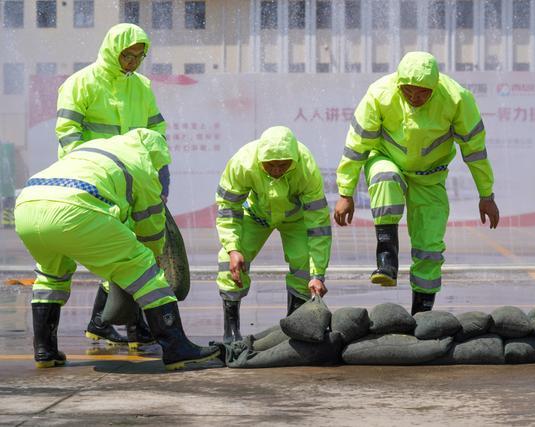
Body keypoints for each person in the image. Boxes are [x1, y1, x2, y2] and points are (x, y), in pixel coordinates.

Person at [14, 129, 220, 370]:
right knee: (145, 270)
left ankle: (45, 351)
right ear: (155, 154)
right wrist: (152, 256)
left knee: (51, 275)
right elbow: (151, 223)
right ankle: (177, 348)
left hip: (28, 206)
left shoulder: (97, 149)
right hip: (76, 209)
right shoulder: (141, 162)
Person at [333, 52, 500, 315]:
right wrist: (346, 192)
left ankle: (422, 314)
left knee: (430, 244)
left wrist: (486, 195)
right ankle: (386, 261)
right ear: (399, 84)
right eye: (408, 91)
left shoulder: (457, 99)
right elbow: (357, 146)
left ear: (435, 86)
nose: (415, 98)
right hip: (386, 158)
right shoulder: (379, 93)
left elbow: (475, 152)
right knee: (385, 179)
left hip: (430, 174)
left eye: (422, 92)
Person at [55, 23, 170, 347]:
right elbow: (67, 134)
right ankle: (132, 329)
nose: (132, 62)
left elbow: (156, 130)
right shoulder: (81, 83)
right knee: (124, 251)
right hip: (94, 181)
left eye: (138, 56)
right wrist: (85, 170)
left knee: (132, 250)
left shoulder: (142, 87)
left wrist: (159, 171)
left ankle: (107, 324)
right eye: (127, 54)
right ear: (111, 49)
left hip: (132, 178)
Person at [215, 126, 331, 343]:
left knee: (303, 262)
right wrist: (232, 248)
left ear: (293, 160)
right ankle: (231, 331)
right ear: (260, 161)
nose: (277, 170)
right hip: (256, 216)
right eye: (270, 165)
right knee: (228, 262)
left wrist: (318, 274)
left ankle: (293, 325)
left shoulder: (306, 167)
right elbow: (228, 207)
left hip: (295, 218)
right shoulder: (243, 162)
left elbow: (318, 224)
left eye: (283, 165)